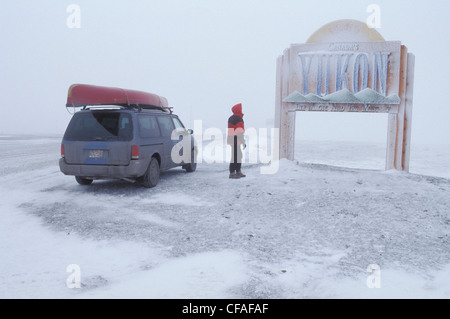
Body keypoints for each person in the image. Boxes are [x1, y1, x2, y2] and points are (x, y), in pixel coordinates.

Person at [227, 103, 246, 179]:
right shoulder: (238, 119)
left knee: (237, 156)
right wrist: (243, 141)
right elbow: (240, 131)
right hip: (236, 138)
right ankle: (233, 173)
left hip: (232, 138)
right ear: (239, 110)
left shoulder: (231, 118)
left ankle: (237, 172)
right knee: (236, 156)